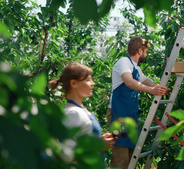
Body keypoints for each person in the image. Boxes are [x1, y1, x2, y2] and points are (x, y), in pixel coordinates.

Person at [107, 36, 170, 169]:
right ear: (140, 51)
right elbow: (129, 82)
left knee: (130, 158)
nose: (146, 55)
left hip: (129, 116)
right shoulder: (123, 62)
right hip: (118, 115)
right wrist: (152, 90)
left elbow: (147, 81)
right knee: (121, 158)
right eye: (146, 52)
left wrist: (163, 89)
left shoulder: (135, 68)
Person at [49, 62, 116, 152]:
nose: (93, 83)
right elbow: (64, 153)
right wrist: (98, 145)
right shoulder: (74, 113)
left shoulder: (81, 110)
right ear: (73, 83)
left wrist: (100, 140)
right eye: (88, 80)